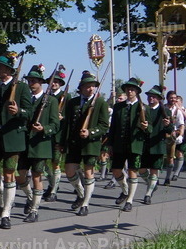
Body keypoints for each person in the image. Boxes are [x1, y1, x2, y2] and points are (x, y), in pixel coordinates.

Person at [0, 52, 33, 229]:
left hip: (12, 139)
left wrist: (19, 112)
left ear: (10, 69)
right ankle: (3, 200)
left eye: (1, 66)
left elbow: (30, 112)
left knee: (9, 174)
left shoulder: (22, 88)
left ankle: (6, 213)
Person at [56, 71, 110, 216]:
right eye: (88, 86)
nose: (91, 89)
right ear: (81, 87)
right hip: (73, 143)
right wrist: (62, 142)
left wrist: (91, 132)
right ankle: (80, 193)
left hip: (90, 144)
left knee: (88, 172)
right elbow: (66, 124)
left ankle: (85, 203)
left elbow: (104, 125)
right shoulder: (72, 102)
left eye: (93, 86)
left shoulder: (100, 103)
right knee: (69, 171)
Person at [16, 64, 59, 223]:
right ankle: (30, 198)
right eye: (29, 80)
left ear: (41, 82)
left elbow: (55, 125)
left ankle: (34, 210)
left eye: (34, 81)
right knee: (19, 176)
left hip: (40, 145)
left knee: (36, 177)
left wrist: (43, 128)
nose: (30, 84)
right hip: (24, 142)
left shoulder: (51, 101)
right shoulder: (25, 98)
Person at [106, 78, 149, 212]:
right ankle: (125, 190)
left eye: (132, 89)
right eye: (128, 89)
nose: (130, 91)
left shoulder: (143, 107)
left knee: (132, 172)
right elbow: (113, 127)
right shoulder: (119, 106)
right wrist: (110, 144)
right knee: (116, 170)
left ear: (137, 91)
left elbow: (150, 128)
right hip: (119, 144)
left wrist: (146, 127)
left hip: (135, 144)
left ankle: (129, 200)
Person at [137, 85, 172, 204]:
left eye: (153, 97)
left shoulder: (166, 111)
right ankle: (151, 184)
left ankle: (148, 194)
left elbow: (170, 129)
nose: (150, 98)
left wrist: (167, 125)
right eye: (149, 96)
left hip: (157, 145)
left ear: (159, 99)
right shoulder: (143, 109)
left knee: (154, 170)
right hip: (144, 144)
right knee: (141, 170)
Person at [43, 65, 70, 202]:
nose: (53, 84)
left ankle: (54, 190)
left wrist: (63, 117)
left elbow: (71, 117)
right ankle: (52, 184)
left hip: (59, 135)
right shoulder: (46, 97)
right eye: (52, 81)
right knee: (44, 163)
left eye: (56, 82)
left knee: (55, 162)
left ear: (60, 84)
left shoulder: (66, 97)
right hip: (46, 134)